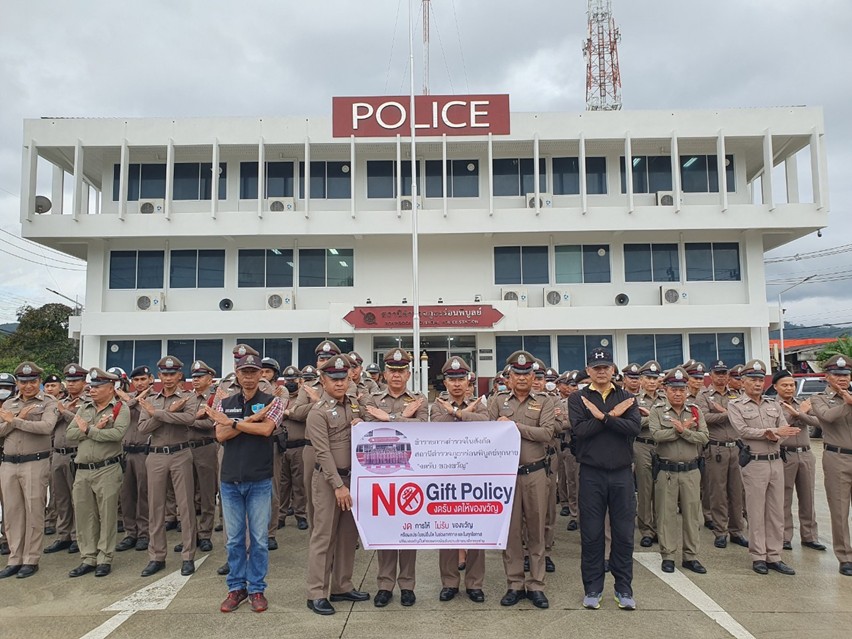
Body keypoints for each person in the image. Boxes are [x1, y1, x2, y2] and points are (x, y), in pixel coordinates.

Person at [207, 353, 284, 613]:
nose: (249, 377)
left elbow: (266, 430)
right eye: (244, 372)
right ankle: (236, 587)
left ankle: (257, 589)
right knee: (234, 540)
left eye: (253, 372)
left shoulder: (272, 401)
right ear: (237, 374)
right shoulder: (225, 402)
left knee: (259, 539)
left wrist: (234, 424)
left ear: (261, 374)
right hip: (230, 480)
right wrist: (250, 420)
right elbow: (220, 435)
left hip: (259, 479)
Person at [568, 348, 640, 611]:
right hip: (591, 473)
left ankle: (624, 588)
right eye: (596, 368)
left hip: (621, 473)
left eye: (606, 367)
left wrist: (601, 416)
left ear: (613, 370)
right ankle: (593, 588)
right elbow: (580, 430)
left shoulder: (627, 397)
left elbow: (634, 428)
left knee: (624, 534)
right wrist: (611, 416)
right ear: (588, 370)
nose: (601, 371)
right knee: (591, 534)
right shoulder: (578, 398)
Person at [486, 351, 555, 610]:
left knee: (536, 531)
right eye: (517, 374)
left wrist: (513, 426)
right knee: (511, 532)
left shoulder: (545, 401)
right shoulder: (497, 401)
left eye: (527, 373)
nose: (523, 378)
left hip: (535, 473)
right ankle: (514, 583)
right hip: (506, 475)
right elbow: (489, 432)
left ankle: (537, 585)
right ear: (509, 377)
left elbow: (547, 433)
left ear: (534, 376)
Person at [363, 348, 428, 608]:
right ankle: (385, 585)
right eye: (392, 370)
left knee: (408, 530)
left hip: (409, 474)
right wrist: (403, 418)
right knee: (386, 530)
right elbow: (367, 427)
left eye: (401, 371)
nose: (397, 375)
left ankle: (407, 585)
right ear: (385, 374)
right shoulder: (373, 398)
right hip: (380, 474)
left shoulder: (419, 399)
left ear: (409, 374)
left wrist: (389, 418)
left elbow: (422, 428)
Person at [305, 356, 370, 615]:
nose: (340, 383)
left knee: (347, 536)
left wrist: (363, 424)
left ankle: (342, 585)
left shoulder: (353, 405)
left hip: (353, 479)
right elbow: (322, 453)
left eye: (343, 378)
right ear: (323, 380)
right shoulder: (318, 412)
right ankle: (317, 593)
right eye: (334, 379)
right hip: (329, 481)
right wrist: (338, 485)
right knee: (324, 536)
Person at [728, 359, 799, 576]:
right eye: (753, 380)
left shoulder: (773, 404)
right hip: (754, 462)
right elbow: (742, 430)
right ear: (743, 382)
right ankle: (758, 556)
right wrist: (770, 432)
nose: (758, 384)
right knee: (756, 512)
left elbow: (785, 429)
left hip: (776, 461)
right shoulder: (736, 405)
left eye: (760, 380)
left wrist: (776, 435)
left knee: (776, 511)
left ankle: (774, 556)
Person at [430, 356, 488, 603]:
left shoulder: (480, 404)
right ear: (445, 382)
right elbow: (437, 425)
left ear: (468, 382)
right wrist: (465, 414)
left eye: (461, 379)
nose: (456, 384)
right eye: (452, 379)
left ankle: (474, 583)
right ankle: (449, 582)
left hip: (474, 475)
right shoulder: (436, 406)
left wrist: (456, 412)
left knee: (475, 530)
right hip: (446, 476)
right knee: (447, 530)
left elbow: (486, 422)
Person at [136, 356, 198, 577]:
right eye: (164, 374)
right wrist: (169, 412)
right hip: (156, 455)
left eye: (172, 374)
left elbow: (189, 419)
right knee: (156, 507)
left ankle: (188, 555)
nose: (168, 378)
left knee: (185, 506)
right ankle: (157, 556)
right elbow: (143, 428)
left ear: (180, 375)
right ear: (159, 376)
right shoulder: (151, 399)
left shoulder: (188, 397)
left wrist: (158, 414)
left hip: (180, 453)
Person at [66, 368, 130, 577]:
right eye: (91, 386)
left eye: (97, 387)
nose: (92, 390)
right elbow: (70, 434)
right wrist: (95, 428)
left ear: (111, 388)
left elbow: (117, 434)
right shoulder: (84, 408)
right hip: (83, 470)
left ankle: (105, 558)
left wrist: (88, 430)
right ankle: (88, 558)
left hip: (107, 469)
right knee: (84, 516)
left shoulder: (120, 408)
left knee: (107, 515)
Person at [0, 362, 59, 579]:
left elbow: (46, 427)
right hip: (8, 464)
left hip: (35, 462)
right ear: (17, 383)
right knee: (12, 513)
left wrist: (14, 421)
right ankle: (14, 558)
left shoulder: (48, 402)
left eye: (33, 381)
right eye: (23, 382)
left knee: (34, 511)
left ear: (39, 382)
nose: (28, 386)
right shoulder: (9, 403)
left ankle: (31, 559)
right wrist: (17, 420)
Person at [649, 367, 709, 574]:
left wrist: (684, 432)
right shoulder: (657, 410)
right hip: (667, 471)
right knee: (666, 515)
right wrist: (680, 430)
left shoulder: (695, 411)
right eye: (673, 389)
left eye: (682, 389)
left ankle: (691, 556)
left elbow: (704, 437)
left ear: (687, 391)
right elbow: (656, 435)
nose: (678, 393)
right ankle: (668, 555)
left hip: (691, 470)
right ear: (666, 390)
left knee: (692, 516)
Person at [694, 359, 748, 549]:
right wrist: (729, 413)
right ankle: (720, 531)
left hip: (736, 448)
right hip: (716, 449)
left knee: (737, 492)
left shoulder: (737, 394)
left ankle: (737, 531)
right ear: (711, 375)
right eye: (718, 373)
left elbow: (746, 415)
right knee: (718, 492)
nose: (722, 377)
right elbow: (703, 417)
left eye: (724, 373)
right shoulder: (704, 395)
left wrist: (725, 412)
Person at [771, 370, 826, 552]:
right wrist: (798, 414)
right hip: (785, 454)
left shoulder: (802, 403)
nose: (789, 388)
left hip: (806, 454)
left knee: (808, 497)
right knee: (784, 498)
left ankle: (809, 536)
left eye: (791, 385)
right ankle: (784, 537)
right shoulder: (772, 406)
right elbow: (779, 426)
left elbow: (818, 422)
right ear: (775, 387)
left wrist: (800, 413)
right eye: (785, 385)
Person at [810, 354, 852, 576]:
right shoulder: (819, 398)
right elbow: (827, 417)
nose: (842, 378)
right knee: (840, 510)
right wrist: (847, 403)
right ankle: (845, 557)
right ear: (827, 377)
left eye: (846, 374)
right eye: (837, 374)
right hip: (837, 458)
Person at [45, 363, 88, 555]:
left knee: (78, 498)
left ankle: (79, 536)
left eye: (76, 380)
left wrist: (65, 412)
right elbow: (48, 425)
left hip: (75, 453)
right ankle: (63, 535)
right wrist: (60, 411)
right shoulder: (59, 402)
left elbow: (83, 424)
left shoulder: (88, 401)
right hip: (57, 453)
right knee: (60, 497)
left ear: (84, 382)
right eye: (69, 380)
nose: (71, 384)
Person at [115, 365, 153, 552]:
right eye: (136, 380)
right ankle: (130, 533)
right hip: (126, 452)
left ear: (150, 379)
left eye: (143, 379)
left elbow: (152, 414)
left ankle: (144, 533)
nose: (139, 383)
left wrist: (131, 400)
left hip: (144, 451)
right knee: (127, 495)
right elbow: (116, 413)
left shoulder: (155, 398)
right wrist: (132, 400)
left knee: (144, 494)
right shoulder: (124, 399)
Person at [184, 360, 218, 553]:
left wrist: (188, 420)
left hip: (206, 447)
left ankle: (205, 534)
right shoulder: (187, 398)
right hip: (186, 448)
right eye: (194, 377)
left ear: (210, 379)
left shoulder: (215, 398)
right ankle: (190, 535)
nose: (195, 380)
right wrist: (193, 418)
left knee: (206, 494)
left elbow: (212, 423)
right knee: (187, 495)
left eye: (200, 377)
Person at [634, 361, 662, 548]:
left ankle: (659, 528)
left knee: (662, 490)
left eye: (655, 378)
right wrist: (656, 417)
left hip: (662, 446)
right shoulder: (634, 400)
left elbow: (671, 421)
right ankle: (646, 530)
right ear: (641, 380)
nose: (652, 381)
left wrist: (649, 416)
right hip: (642, 445)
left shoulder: (665, 398)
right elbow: (634, 423)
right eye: (648, 378)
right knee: (645, 489)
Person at [278, 366, 308, 530]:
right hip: (282, 447)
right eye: (288, 380)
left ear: (300, 381)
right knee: (282, 485)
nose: (290, 383)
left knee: (299, 484)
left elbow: (302, 415)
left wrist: (287, 412)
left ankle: (300, 515)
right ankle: (280, 516)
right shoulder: (280, 397)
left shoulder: (303, 398)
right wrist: (289, 412)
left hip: (299, 447)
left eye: (294, 380)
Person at [0, 372, 16, 557]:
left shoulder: (15, 406)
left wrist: (12, 421)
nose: (3, 391)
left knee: (9, 503)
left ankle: (7, 539)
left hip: (7, 459)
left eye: (6, 387)